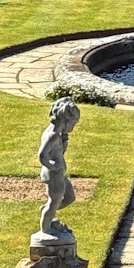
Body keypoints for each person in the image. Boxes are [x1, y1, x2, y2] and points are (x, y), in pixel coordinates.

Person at [38, 98, 82, 242]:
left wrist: (64, 144)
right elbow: (42, 155)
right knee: (54, 200)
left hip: (59, 173)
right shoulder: (52, 135)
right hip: (54, 174)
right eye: (74, 123)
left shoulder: (58, 135)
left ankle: (49, 213)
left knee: (69, 198)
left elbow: (57, 153)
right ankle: (46, 229)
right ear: (67, 120)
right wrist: (52, 166)